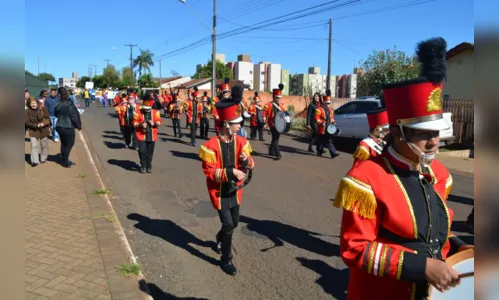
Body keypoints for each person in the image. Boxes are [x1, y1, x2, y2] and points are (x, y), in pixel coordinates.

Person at [333, 37, 472, 300]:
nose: (433, 142)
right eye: (422, 134)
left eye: (437, 133)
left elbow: (433, 232)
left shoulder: (439, 174)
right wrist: (422, 267)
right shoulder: (364, 178)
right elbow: (355, 248)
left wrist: (461, 249)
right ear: (397, 133)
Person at [198, 85, 255, 276]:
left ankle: (219, 238)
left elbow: (252, 164)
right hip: (219, 192)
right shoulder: (210, 145)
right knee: (229, 225)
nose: (240, 126)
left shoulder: (241, 142)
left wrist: (247, 161)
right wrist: (231, 172)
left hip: (235, 191)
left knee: (234, 223)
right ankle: (226, 260)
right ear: (225, 124)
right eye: (236, 123)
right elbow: (209, 172)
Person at [133, 94, 162, 173]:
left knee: (150, 152)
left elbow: (159, 122)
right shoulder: (137, 112)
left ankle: (149, 165)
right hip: (141, 135)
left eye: (148, 108)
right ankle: (143, 165)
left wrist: (154, 123)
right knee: (142, 150)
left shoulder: (156, 112)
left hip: (152, 135)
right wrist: (140, 124)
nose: (146, 110)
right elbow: (134, 123)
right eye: (145, 108)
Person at [54, 87, 82, 168]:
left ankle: (64, 158)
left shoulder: (57, 103)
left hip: (59, 125)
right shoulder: (69, 103)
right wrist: (78, 125)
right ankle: (65, 161)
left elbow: (56, 114)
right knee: (69, 144)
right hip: (68, 126)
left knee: (63, 143)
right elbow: (74, 115)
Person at [263, 84, 286, 160]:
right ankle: (277, 154)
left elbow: (285, 113)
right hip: (272, 124)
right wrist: (265, 123)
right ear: (274, 97)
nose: (279, 99)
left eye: (280, 98)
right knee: (275, 138)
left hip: (280, 124)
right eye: (277, 98)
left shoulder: (282, 105)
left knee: (276, 138)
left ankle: (271, 150)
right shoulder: (268, 105)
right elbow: (264, 114)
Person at [25, 98, 51, 166]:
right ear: (29, 104)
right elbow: (27, 123)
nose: (33, 105)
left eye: (34, 103)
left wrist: (43, 123)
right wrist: (36, 125)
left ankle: (43, 158)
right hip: (33, 130)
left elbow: (48, 118)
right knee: (33, 146)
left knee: (44, 145)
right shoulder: (27, 111)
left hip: (43, 129)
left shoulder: (42, 109)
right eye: (31, 103)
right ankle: (35, 161)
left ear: (37, 103)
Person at [314, 91, 340, 158]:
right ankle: (319, 151)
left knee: (329, 141)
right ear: (324, 103)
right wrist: (321, 123)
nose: (328, 104)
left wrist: (333, 122)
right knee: (321, 141)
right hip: (322, 128)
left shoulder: (331, 110)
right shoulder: (319, 109)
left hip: (329, 128)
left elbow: (332, 118)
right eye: (327, 103)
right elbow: (317, 118)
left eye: (329, 103)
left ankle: (333, 153)